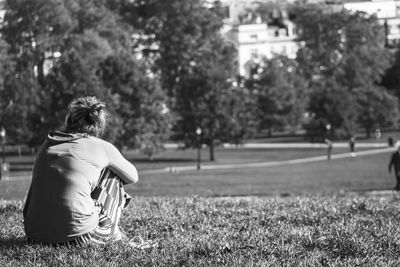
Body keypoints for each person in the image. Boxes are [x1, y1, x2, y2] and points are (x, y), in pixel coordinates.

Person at [23, 96, 139, 246]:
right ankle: (114, 234)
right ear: (99, 123)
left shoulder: (47, 144)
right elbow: (133, 177)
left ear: (69, 119)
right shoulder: (101, 147)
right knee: (112, 174)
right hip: (78, 238)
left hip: (34, 236)